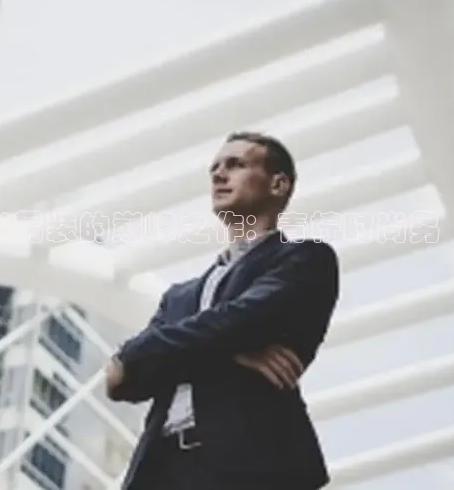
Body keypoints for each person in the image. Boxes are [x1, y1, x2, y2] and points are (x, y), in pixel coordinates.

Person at [105, 131, 340, 490]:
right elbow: (121, 378)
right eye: (214, 168)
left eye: (236, 164)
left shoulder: (305, 259)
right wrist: (231, 352)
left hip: (250, 466)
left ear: (278, 184)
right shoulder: (178, 297)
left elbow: (245, 320)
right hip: (160, 472)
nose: (218, 174)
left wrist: (177, 350)